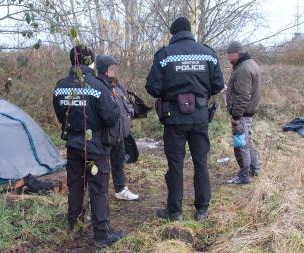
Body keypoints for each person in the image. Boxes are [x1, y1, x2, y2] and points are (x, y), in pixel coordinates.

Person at [145, 17, 224, 221]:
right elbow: (217, 85)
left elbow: (153, 88)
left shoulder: (164, 55)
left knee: (175, 164)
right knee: (201, 162)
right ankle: (202, 210)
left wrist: (170, 91)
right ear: (190, 32)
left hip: (174, 118)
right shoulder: (208, 54)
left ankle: (175, 211)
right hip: (200, 116)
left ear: (173, 34)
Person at [52, 45, 124, 248]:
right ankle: (102, 235)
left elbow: (61, 116)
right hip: (95, 147)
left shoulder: (61, 86)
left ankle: (74, 227)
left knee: (75, 186)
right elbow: (111, 117)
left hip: (73, 144)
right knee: (98, 189)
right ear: (90, 62)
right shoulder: (98, 86)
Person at [95, 55, 140, 201]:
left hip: (119, 133)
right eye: (112, 67)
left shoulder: (117, 85)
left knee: (119, 161)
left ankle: (120, 189)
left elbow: (126, 104)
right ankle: (96, 194)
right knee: (100, 167)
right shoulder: (98, 86)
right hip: (104, 135)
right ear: (105, 70)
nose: (115, 70)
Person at [224, 41, 262, 185]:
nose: (228, 57)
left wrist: (236, 116)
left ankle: (244, 176)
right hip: (248, 112)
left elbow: (243, 96)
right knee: (248, 140)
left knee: (241, 145)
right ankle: (254, 168)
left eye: (229, 54)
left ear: (236, 53)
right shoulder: (250, 64)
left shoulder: (243, 69)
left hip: (242, 114)